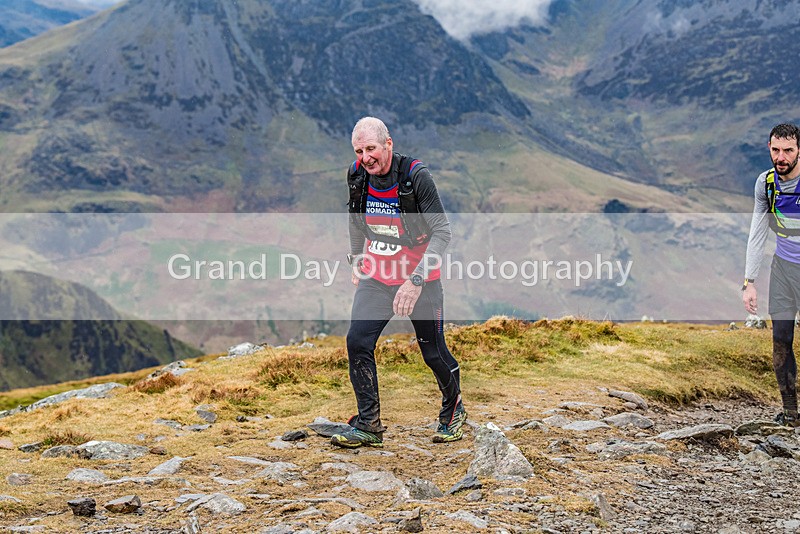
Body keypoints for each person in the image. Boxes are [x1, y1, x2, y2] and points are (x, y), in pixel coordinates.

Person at [331, 116, 466, 448]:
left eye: (372, 148)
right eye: (359, 150)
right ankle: (369, 425)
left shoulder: (415, 177)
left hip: (419, 277)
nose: (366, 157)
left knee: (433, 353)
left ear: (388, 144)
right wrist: (356, 256)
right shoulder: (357, 175)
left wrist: (415, 280)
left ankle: (453, 408)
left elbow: (443, 233)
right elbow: (355, 219)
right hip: (377, 275)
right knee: (357, 342)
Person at [743, 123, 800, 427]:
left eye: (788, 150)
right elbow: (757, 232)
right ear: (769, 148)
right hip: (783, 269)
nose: (781, 157)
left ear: (799, 150)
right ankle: (791, 413)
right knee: (780, 339)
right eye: (776, 150)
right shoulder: (766, 184)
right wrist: (749, 281)